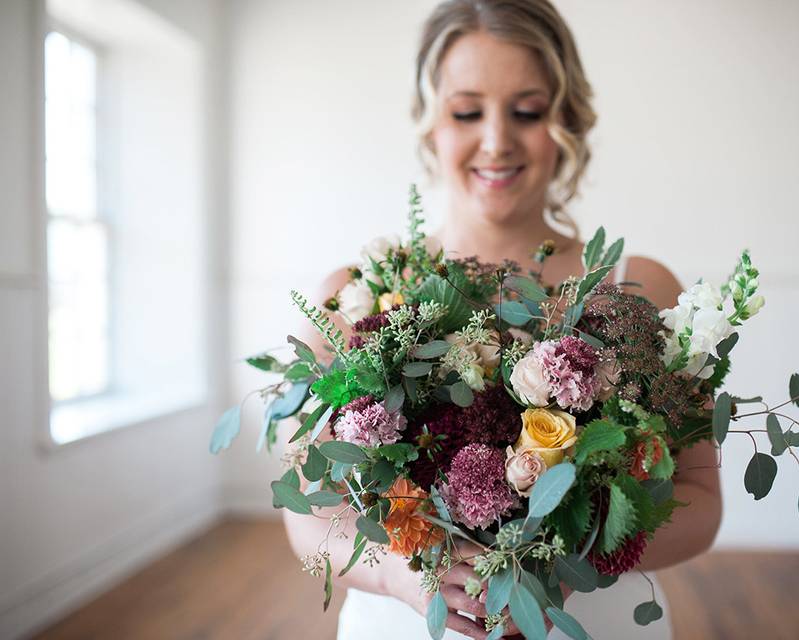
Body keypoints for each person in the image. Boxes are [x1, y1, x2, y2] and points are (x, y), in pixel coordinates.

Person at [283, 1, 722, 638]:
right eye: (467, 112)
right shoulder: (349, 298)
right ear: (430, 123)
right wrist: (399, 573)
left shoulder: (639, 292)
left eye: (527, 110)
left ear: (566, 119)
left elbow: (700, 503)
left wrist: (561, 562)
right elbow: (306, 514)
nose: (496, 139)